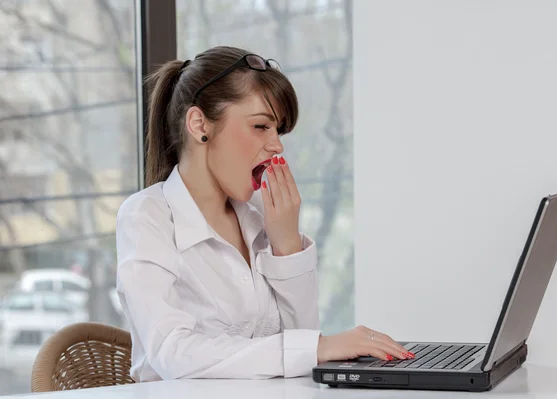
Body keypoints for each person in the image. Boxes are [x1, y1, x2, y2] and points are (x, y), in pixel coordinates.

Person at [115, 45, 413, 382]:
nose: (277, 145)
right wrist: (317, 348)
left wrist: (287, 245)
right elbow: (173, 353)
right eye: (261, 126)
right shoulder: (146, 217)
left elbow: (301, 357)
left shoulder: (257, 218)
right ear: (200, 124)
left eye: (278, 131)